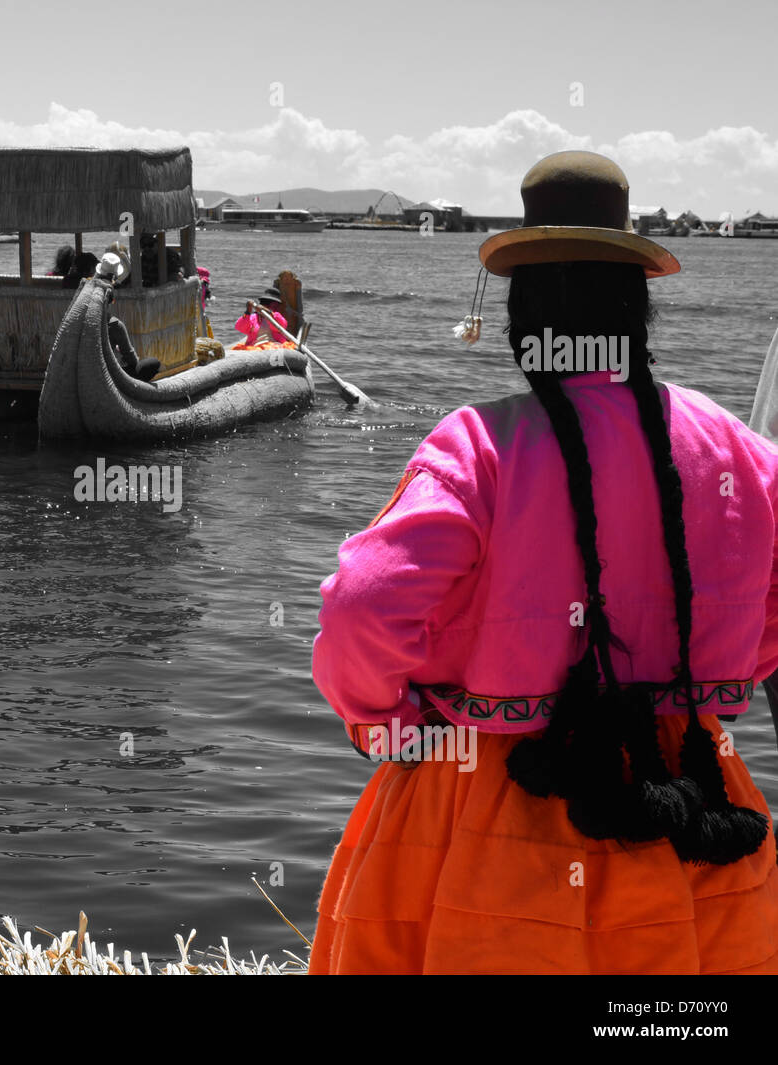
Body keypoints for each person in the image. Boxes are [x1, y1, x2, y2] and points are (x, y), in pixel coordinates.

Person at [309, 150, 778, 975]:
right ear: (636, 311)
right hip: (694, 806)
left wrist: (391, 723)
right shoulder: (735, 447)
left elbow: (362, 606)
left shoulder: (481, 448)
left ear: (527, 319)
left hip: (490, 808)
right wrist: (701, 685)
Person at [97, 254, 160, 382]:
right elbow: (132, 359)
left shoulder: (83, 317)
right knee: (153, 363)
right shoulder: (114, 325)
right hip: (109, 373)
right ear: (111, 301)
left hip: (90, 368)